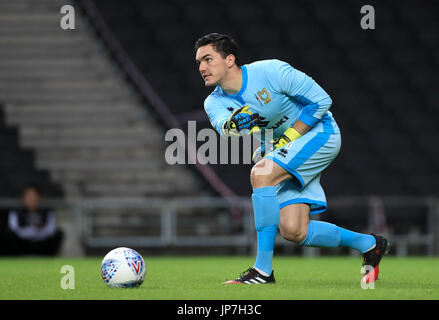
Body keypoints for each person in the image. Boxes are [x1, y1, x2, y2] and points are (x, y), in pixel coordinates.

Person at [195, 33, 389, 284]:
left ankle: (262, 271)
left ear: (230, 59)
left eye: (208, 59)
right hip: (286, 149)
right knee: (295, 231)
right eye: (199, 62)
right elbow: (224, 128)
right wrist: (233, 124)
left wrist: (285, 139)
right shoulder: (214, 102)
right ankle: (370, 245)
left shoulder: (271, 71)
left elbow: (321, 102)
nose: (202, 67)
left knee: (261, 173)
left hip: (321, 134)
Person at [5, 185, 63, 256]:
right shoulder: (16, 212)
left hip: (42, 241)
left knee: (59, 233)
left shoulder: (46, 212)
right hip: (22, 241)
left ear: (38, 198)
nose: (31, 199)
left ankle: (49, 257)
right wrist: (29, 231)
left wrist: (40, 229)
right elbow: (13, 228)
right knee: (8, 235)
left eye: (34, 197)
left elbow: (51, 229)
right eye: (29, 197)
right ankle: (15, 257)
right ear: (24, 198)